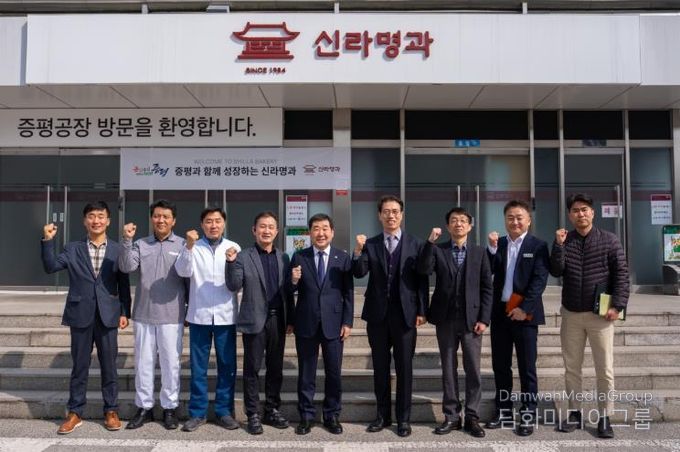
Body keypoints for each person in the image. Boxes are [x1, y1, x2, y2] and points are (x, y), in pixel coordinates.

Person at [41, 201, 131, 435]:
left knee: (109, 365)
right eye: (91, 216)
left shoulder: (118, 249)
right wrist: (48, 240)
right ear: (84, 221)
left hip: (108, 314)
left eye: (101, 216)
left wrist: (125, 312)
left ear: (108, 221)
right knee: (79, 366)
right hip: (80, 313)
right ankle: (75, 412)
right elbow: (51, 267)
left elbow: (123, 283)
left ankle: (111, 410)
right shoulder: (73, 248)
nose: (96, 220)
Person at [550, 193, 630, 439]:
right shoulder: (566, 240)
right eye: (575, 210)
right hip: (571, 313)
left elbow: (622, 275)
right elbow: (556, 271)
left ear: (592, 213)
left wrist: (618, 305)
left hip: (601, 316)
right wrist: (558, 246)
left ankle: (605, 416)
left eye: (584, 209)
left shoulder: (609, 240)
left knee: (604, 368)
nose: (580, 214)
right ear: (569, 215)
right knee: (572, 368)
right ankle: (575, 413)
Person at [352, 195, 428, 437]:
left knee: (405, 368)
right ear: (379, 215)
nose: (391, 215)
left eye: (395, 211)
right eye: (386, 211)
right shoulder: (371, 244)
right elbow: (359, 272)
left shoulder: (415, 244)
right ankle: (382, 416)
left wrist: (422, 310)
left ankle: (403, 419)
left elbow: (422, 280)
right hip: (377, 316)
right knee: (380, 368)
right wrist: (357, 251)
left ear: (401, 215)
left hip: (405, 315)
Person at [416, 207, 492, 438]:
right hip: (445, 319)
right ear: (448, 226)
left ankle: (472, 416)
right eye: (454, 221)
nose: (458, 224)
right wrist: (430, 242)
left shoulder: (480, 252)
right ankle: (451, 416)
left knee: (473, 369)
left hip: (472, 320)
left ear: (470, 225)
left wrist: (484, 319)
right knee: (448, 369)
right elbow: (423, 269)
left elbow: (487, 288)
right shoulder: (439, 250)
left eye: (463, 221)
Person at [118, 199, 187, 430]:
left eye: (166, 216)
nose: (161, 220)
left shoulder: (183, 245)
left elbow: (188, 276)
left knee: (170, 364)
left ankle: (169, 408)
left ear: (173, 220)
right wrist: (127, 240)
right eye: (157, 216)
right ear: (151, 218)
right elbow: (126, 267)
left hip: (172, 315)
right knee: (143, 363)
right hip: (144, 314)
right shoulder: (141, 244)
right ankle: (144, 407)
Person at [225, 211, 295, 435]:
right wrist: (230, 263)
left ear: (277, 231)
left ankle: (272, 410)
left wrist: (291, 319)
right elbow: (233, 285)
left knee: (275, 368)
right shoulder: (243, 256)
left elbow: (288, 292)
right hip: (254, 319)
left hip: (278, 320)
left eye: (271, 227)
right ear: (254, 230)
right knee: (252, 369)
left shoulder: (284, 257)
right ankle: (253, 414)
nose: (266, 230)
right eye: (262, 226)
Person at [485, 200, 550, 436]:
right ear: (505, 220)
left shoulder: (538, 246)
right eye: (510, 217)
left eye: (519, 217)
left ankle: (528, 413)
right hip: (501, 313)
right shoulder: (499, 244)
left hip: (526, 315)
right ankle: (503, 411)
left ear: (528, 220)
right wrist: (491, 250)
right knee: (501, 366)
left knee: (527, 367)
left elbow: (539, 280)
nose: (515, 222)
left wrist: (524, 308)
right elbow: (487, 272)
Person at [174, 206, 241, 432]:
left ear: (224, 223)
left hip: (226, 316)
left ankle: (224, 411)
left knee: (227, 366)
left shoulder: (234, 247)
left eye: (217, 221)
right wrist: (188, 246)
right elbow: (183, 271)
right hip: (199, 315)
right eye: (209, 221)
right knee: (198, 367)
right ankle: (197, 413)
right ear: (202, 225)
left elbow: (237, 280)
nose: (213, 225)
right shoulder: (193, 247)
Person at [287, 213, 353, 435]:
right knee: (307, 373)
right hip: (306, 322)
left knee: (333, 372)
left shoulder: (342, 257)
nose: (321, 233)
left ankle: (332, 415)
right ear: (310, 233)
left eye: (325, 228)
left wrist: (347, 321)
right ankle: (306, 416)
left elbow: (348, 293)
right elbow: (290, 291)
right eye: (316, 228)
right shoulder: (299, 256)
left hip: (334, 323)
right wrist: (293, 280)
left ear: (332, 232)